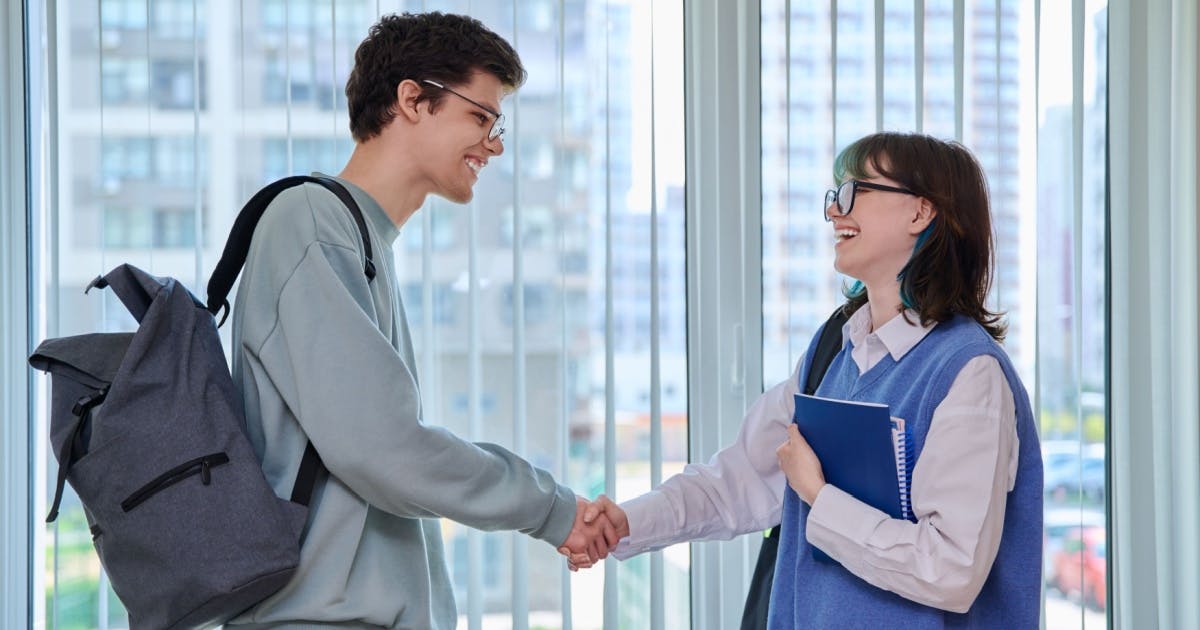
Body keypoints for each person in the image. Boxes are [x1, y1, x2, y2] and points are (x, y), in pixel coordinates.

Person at [227, 12, 615, 628]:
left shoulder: (361, 242)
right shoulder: (311, 224)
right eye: (481, 117)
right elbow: (386, 450)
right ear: (412, 99)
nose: (495, 143)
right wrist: (553, 509)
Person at [580, 132, 1043, 628]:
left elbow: (950, 568)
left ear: (920, 212)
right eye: (835, 194)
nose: (834, 212)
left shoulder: (969, 373)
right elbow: (737, 480)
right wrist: (627, 522)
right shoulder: (831, 352)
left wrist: (820, 498)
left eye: (855, 191)